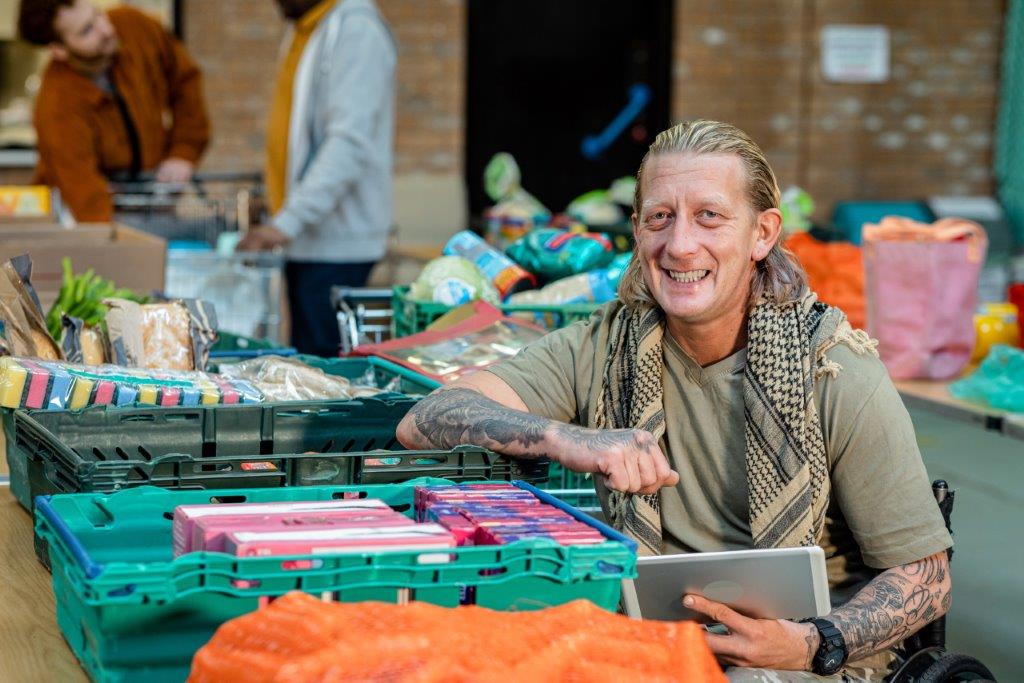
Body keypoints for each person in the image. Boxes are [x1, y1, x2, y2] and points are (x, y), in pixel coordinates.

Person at [397, 120, 954, 681]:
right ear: (637, 230)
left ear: (762, 234)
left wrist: (810, 643)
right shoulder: (604, 346)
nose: (680, 244)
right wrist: (566, 438)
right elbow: (427, 418)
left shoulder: (833, 368)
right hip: (650, 641)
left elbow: (926, 579)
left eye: (709, 216)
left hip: (806, 653)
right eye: (660, 217)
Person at [237, 0, 396, 357]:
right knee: (308, 360)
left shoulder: (356, 30)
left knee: (323, 375)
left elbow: (348, 143)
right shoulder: (308, 29)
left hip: (337, 243)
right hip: (308, 236)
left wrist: (288, 221)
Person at [18, 0, 210, 222]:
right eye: (87, 30)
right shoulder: (56, 106)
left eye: (97, 14)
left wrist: (183, 151)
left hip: (149, 201)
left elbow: (185, 81)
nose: (106, 29)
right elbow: (86, 199)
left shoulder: (134, 26)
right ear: (58, 50)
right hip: (84, 217)